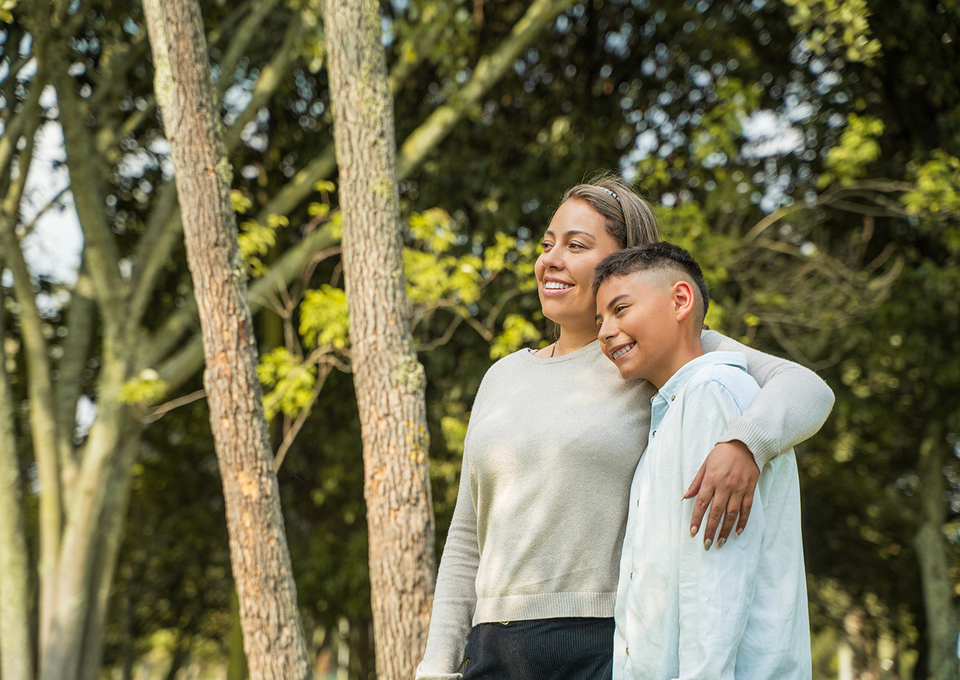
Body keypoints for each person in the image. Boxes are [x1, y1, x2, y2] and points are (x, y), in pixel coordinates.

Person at [415, 176, 831, 680]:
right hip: (491, 649)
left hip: (603, 646)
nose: (551, 258)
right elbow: (467, 536)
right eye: (548, 244)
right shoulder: (502, 375)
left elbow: (807, 388)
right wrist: (436, 665)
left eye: (576, 245)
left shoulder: (649, 353)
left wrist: (747, 443)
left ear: (623, 261)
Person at [594, 242, 810, 680]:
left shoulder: (711, 393)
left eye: (620, 309)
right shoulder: (673, 410)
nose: (604, 331)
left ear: (680, 301)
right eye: (600, 320)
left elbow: (715, 582)